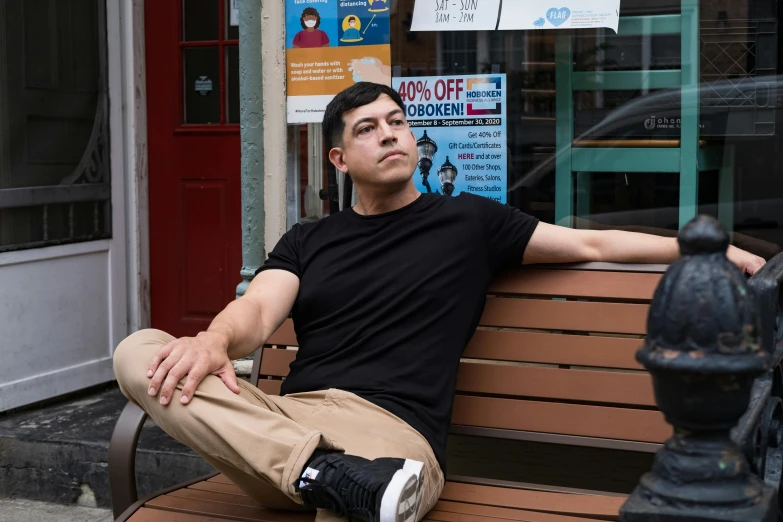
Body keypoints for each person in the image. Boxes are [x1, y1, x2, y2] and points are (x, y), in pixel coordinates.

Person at [113, 82, 766, 522]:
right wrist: (210, 342)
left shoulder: (469, 223)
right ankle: (321, 473)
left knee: (372, 496)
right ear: (340, 158)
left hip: (392, 436)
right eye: (369, 128)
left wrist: (697, 251)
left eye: (397, 122)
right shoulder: (310, 239)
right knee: (140, 351)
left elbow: (590, 240)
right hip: (290, 429)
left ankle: (333, 478)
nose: (391, 135)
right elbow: (254, 315)